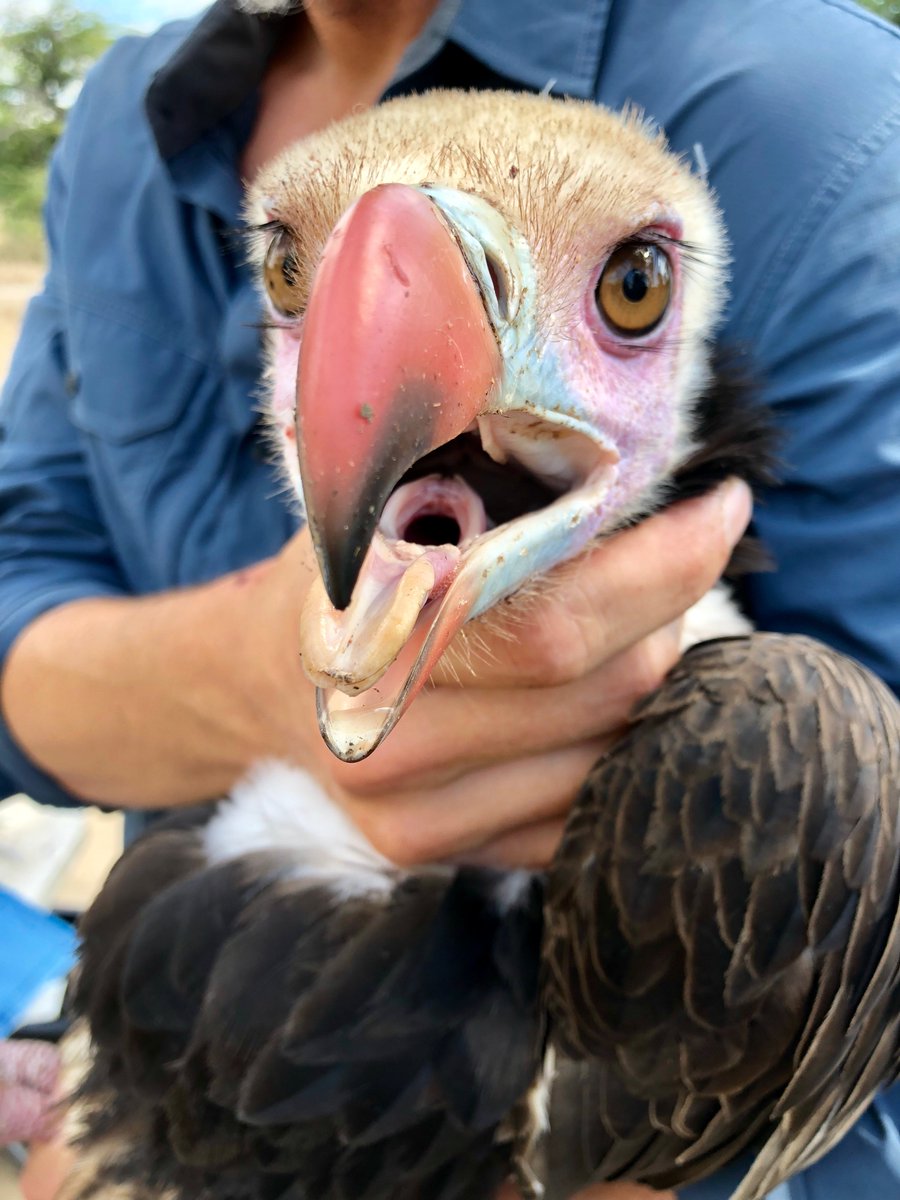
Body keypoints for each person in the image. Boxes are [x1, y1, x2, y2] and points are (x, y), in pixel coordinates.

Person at [0, 1, 899, 1197]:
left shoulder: (827, 117)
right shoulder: (122, 119)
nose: (382, 318)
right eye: (289, 276)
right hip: (173, 1051)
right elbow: (27, 577)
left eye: (628, 290)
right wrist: (251, 678)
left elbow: (845, 942)